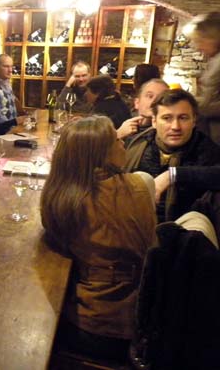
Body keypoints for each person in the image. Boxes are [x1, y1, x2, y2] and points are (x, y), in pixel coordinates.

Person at [40, 116, 156, 361]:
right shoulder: (136, 186)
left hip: (83, 321)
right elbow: (148, 249)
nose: (123, 144)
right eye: (116, 141)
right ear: (99, 153)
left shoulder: (59, 196)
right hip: (127, 327)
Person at [125, 89, 220, 222]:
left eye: (183, 118)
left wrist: (173, 175)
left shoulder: (206, 150)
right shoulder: (135, 146)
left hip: (184, 234)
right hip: (133, 227)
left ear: (194, 121)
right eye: (167, 118)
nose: (175, 126)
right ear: (154, 121)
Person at [191, 12, 220, 145]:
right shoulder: (215, 60)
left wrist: (191, 104)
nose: (198, 46)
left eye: (200, 40)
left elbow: (211, 103)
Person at [0, 54, 27, 125]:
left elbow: (14, 104)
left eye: (11, 66)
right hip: (3, 132)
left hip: (12, 129)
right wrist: (15, 122)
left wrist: (24, 115)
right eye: (6, 66)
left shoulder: (7, 84)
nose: (10, 70)